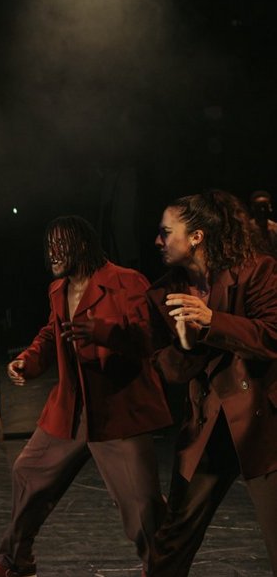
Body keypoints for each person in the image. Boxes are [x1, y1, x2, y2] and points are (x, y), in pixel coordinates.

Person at [0, 216, 173, 577]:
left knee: (141, 505)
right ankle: (15, 560)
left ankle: (162, 568)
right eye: (50, 246)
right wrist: (28, 360)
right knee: (28, 472)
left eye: (62, 245)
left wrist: (102, 332)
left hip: (118, 407)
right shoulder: (58, 289)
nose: (54, 253)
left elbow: (148, 337)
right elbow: (51, 333)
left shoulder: (126, 280)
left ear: (83, 245)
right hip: (72, 407)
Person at [146, 191, 277, 576]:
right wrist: (187, 344)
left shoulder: (256, 271)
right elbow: (168, 370)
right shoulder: (164, 293)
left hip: (262, 422)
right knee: (173, 538)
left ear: (197, 236)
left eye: (166, 232)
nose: (158, 240)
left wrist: (211, 321)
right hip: (208, 423)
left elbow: (271, 336)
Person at [249, 190, 277, 256]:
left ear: (269, 207)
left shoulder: (275, 228)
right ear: (253, 208)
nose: (262, 210)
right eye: (258, 207)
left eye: (264, 206)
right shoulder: (246, 228)